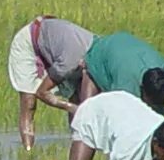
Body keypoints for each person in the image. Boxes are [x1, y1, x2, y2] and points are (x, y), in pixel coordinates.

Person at [7, 16, 97, 150]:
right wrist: (70, 107)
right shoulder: (70, 61)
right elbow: (42, 92)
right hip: (30, 43)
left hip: (57, 48)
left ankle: (78, 144)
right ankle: (28, 151)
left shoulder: (96, 46)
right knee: (29, 101)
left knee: (78, 95)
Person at [79, 31, 164, 113]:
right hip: (102, 52)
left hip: (126, 48)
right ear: (141, 89)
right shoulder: (125, 87)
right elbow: (115, 115)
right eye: (151, 103)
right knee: (87, 112)